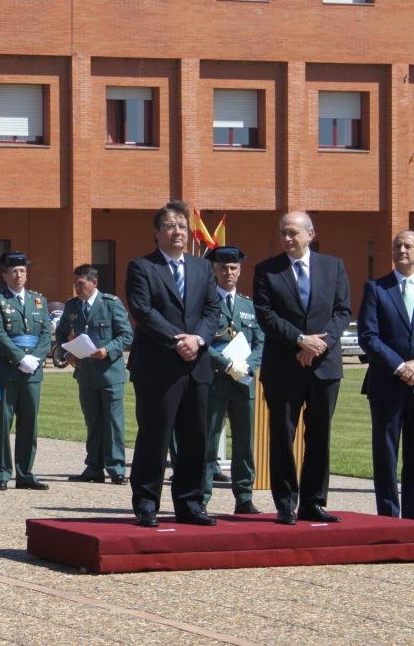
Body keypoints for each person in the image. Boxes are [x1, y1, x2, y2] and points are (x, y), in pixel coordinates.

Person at [125, 201, 221, 527]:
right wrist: (177, 341)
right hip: (158, 367)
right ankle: (147, 503)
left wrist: (198, 340)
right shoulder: (142, 267)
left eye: (181, 225)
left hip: (197, 366)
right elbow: (143, 310)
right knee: (156, 436)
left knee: (196, 437)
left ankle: (190, 503)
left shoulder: (203, 267)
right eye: (169, 225)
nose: (177, 231)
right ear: (157, 232)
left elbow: (212, 311)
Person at [254, 211, 350, 525]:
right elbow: (265, 316)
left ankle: (313, 502)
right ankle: (285, 503)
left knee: (319, 436)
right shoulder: (267, 271)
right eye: (283, 233)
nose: (287, 239)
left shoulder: (333, 266)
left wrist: (320, 344)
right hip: (284, 366)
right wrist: (300, 340)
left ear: (310, 234)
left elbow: (341, 310)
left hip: (324, 366)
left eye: (293, 233)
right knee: (283, 435)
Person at [54, 264, 133, 485]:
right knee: (93, 422)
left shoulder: (110, 304)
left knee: (113, 422)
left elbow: (127, 335)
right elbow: (61, 334)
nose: (77, 289)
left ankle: (116, 468)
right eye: (75, 284)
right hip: (86, 374)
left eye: (81, 284)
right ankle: (94, 467)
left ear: (94, 282)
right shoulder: (72, 307)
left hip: (109, 373)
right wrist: (67, 353)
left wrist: (107, 350)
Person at [202, 247, 264, 514]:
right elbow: (201, 341)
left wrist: (248, 367)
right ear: (214, 270)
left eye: (233, 268)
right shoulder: (205, 304)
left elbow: (261, 342)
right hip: (215, 381)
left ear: (240, 271)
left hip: (242, 383)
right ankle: (201, 498)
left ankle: (244, 498)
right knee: (208, 442)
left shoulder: (249, 306)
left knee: (244, 443)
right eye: (223, 268)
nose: (228, 272)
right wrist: (226, 363)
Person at [359, 230, 414, 519]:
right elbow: (368, 336)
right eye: (397, 245)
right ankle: (389, 519)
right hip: (386, 383)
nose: (402, 250)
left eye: (407, 245)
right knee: (386, 455)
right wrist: (401, 366)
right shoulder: (376, 289)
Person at [0, 251, 52, 491]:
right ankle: (2, 473)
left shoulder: (38, 300)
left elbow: (45, 332)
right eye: (13, 271)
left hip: (33, 369)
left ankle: (25, 473)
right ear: (5, 275)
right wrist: (20, 358)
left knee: (29, 423)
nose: (19, 275)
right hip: (7, 369)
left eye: (22, 270)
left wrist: (35, 358)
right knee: (3, 423)